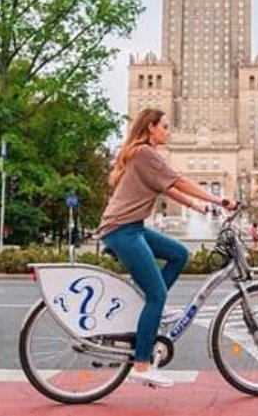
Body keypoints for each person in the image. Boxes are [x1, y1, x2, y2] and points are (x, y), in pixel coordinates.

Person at [98, 108, 232, 389]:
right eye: (165, 127)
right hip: (122, 230)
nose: (168, 132)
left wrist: (198, 206)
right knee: (157, 294)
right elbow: (179, 181)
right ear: (151, 128)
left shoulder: (142, 155)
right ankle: (142, 364)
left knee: (179, 254)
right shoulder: (145, 153)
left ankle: (151, 310)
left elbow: (169, 189)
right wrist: (220, 201)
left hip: (130, 227)